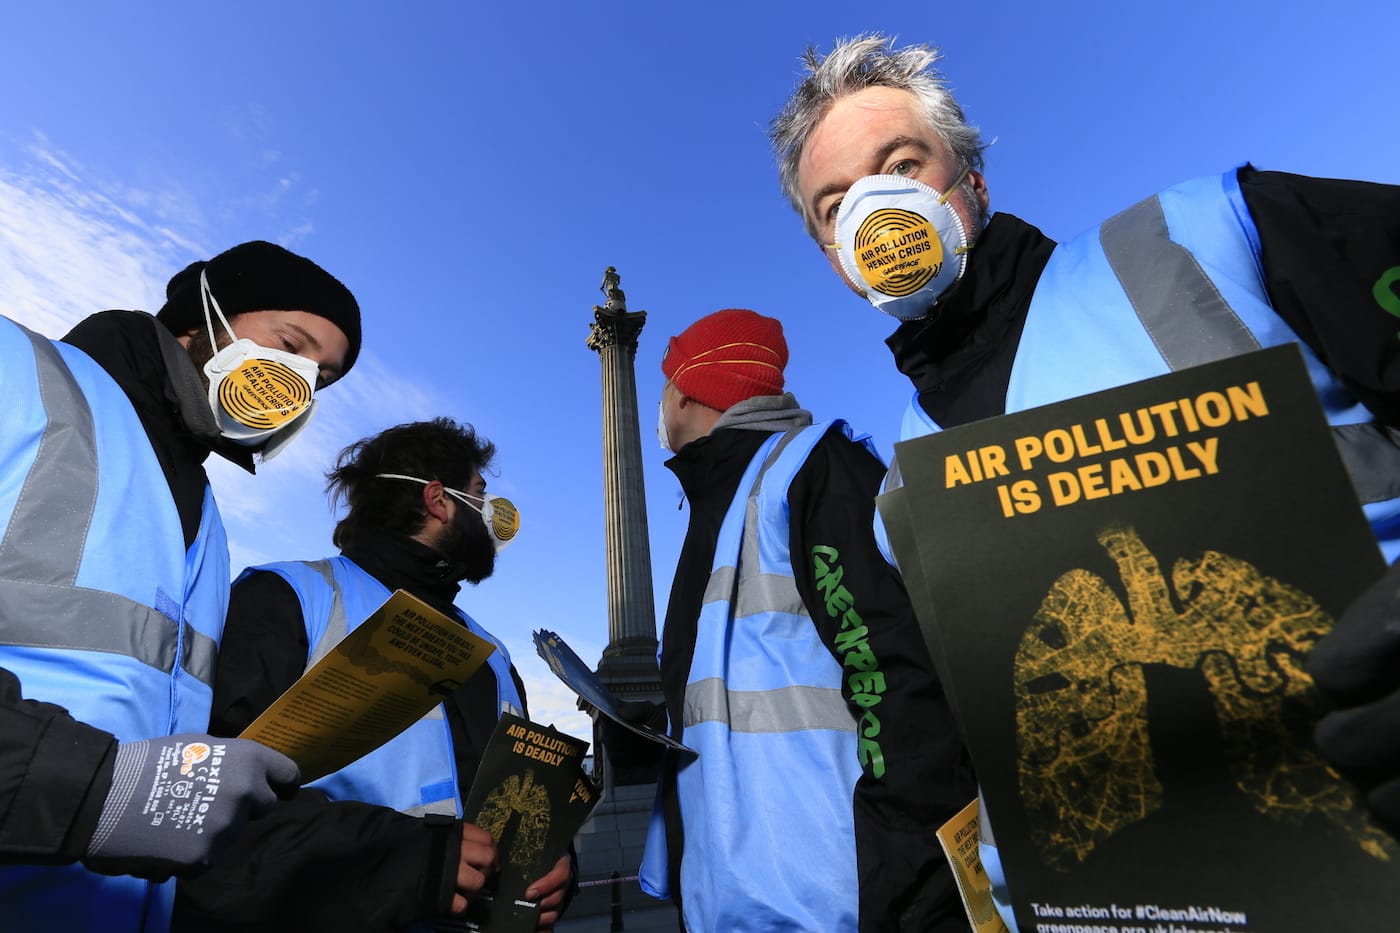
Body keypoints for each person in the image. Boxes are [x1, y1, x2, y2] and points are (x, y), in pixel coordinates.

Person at [769, 32, 1400, 927]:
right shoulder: (897, 498)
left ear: (971, 182)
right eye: (833, 206)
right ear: (834, 258)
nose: (870, 213)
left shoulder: (1204, 240)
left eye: (900, 163)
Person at [0, 240, 362, 931]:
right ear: (203, 314)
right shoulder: (16, 372)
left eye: (320, 375)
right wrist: (93, 790)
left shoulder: (207, 527)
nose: (299, 380)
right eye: (291, 343)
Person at [614, 308, 974, 932]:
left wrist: (899, 880)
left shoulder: (815, 470)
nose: (660, 405)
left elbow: (898, 676)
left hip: (836, 893)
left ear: (689, 390)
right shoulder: (723, 503)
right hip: (738, 892)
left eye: (665, 384)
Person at [173, 418, 576, 932]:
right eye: (480, 494)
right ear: (439, 501)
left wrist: (551, 859)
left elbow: (517, 795)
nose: (491, 515)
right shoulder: (288, 598)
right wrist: (410, 863)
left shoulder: (492, 652)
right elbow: (209, 804)